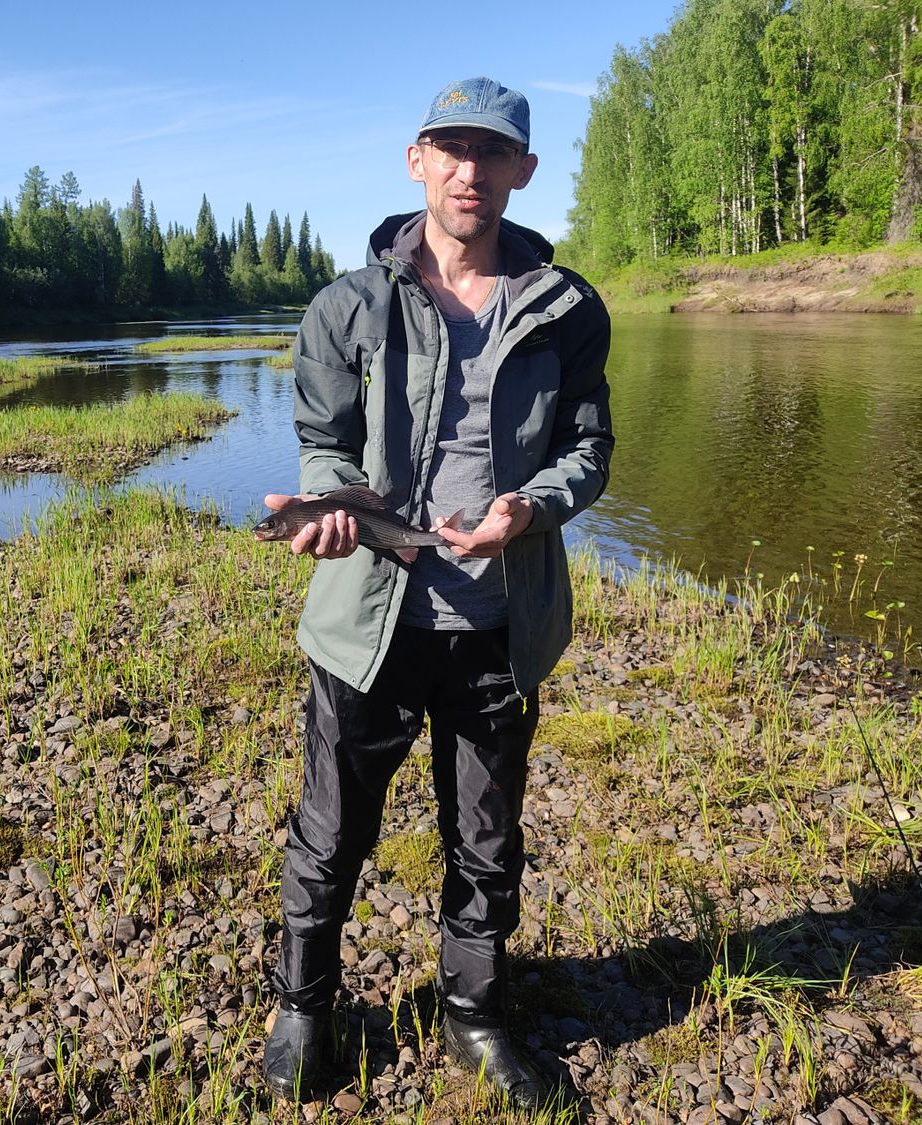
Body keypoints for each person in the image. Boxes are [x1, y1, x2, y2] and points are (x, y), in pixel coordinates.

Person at [261, 77, 614, 1110]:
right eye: (451, 149)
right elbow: (325, 448)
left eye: (493, 153)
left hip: (499, 625)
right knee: (330, 832)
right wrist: (325, 510)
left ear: (523, 173)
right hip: (366, 628)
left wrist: (533, 508)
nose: (471, 170)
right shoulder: (347, 305)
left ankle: (475, 1014)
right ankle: (304, 1005)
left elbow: (589, 451)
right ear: (415, 160)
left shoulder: (568, 307)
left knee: (489, 838)